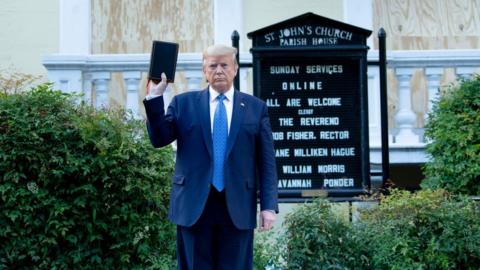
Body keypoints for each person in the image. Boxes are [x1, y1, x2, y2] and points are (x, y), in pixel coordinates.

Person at [143, 44, 278, 270]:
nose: (218, 70)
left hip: (237, 207)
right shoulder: (183, 104)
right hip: (193, 206)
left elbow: (266, 162)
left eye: (224, 65)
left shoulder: (255, 108)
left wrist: (268, 206)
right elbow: (159, 139)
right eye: (212, 65)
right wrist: (155, 98)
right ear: (204, 70)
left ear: (235, 68)